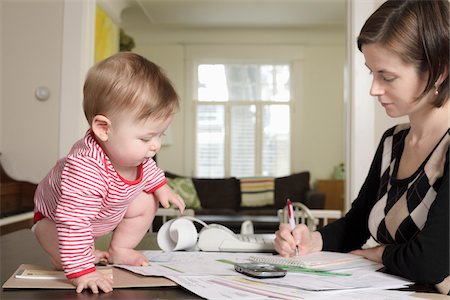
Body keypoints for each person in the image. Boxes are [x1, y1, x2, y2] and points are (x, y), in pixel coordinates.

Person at [275, 0, 449, 294]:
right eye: (372, 73)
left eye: (387, 76)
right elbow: (357, 225)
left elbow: (431, 262)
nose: (374, 89)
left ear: (439, 71)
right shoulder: (392, 142)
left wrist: (379, 253)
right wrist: (312, 239)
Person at [33, 52, 186, 294]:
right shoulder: (84, 168)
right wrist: (83, 271)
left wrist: (161, 187)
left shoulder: (134, 155)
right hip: (57, 220)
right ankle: (66, 259)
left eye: (160, 135)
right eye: (147, 137)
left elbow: (148, 170)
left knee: (146, 200)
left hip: (102, 212)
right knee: (64, 253)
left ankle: (120, 249)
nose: (155, 145)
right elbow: (74, 222)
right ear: (103, 128)